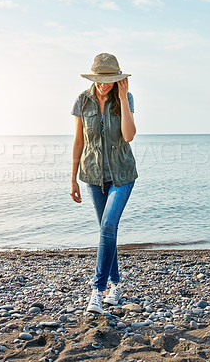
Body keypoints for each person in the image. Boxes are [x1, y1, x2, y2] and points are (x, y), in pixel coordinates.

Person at [70, 53, 138, 314]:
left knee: (108, 227)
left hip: (122, 176)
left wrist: (122, 98)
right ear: (94, 77)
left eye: (111, 79)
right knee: (106, 234)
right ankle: (117, 285)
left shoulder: (125, 99)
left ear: (118, 79)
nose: (104, 84)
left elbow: (129, 136)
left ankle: (97, 292)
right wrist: (73, 178)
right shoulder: (82, 101)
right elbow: (79, 142)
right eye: (101, 79)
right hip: (92, 177)